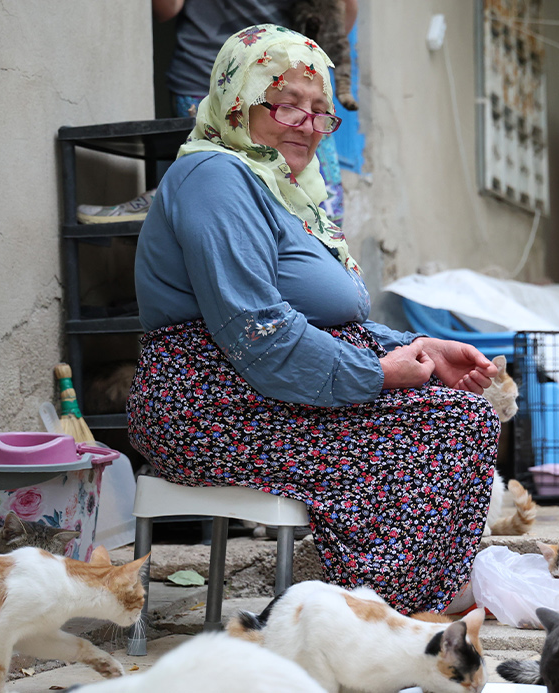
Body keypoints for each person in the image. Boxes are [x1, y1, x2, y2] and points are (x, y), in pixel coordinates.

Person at [127, 25, 500, 615]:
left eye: (319, 111)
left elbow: (326, 320)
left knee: (456, 414)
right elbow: (258, 332)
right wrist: (378, 375)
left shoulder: (284, 191)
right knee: (440, 425)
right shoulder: (216, 177)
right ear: (238, 102)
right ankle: (378, 612)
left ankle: (400, 599)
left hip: (261, 390)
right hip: (207, 404)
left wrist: (420, 347)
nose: (306, 124)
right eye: (286, 104)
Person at [154, 0, 357, 226]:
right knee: (233, 200)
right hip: (210, 79)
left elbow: (334, 23)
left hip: (287, 81)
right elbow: (165, 10)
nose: (307, 128)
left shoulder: (308, 114)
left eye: (321, 111)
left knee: (322, 212)